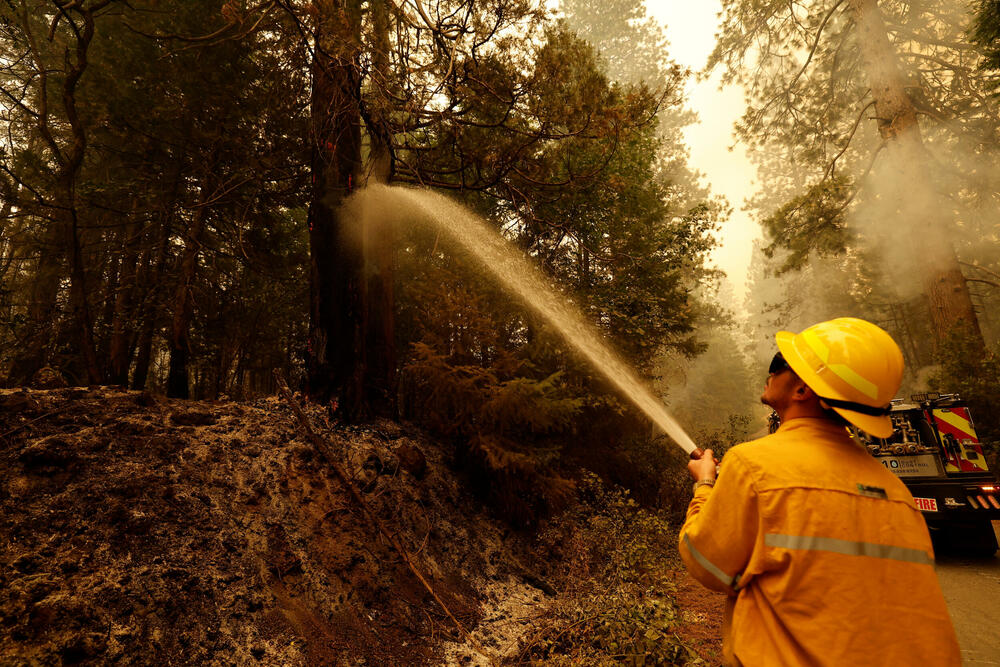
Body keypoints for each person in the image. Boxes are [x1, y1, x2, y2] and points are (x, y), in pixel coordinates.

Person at [678, 317, 960, 666]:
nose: (771, 372)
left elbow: (706, 564)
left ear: (802, 391)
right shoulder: (897, 494)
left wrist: (705, 484)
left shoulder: (753, 465)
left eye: (779, 364)